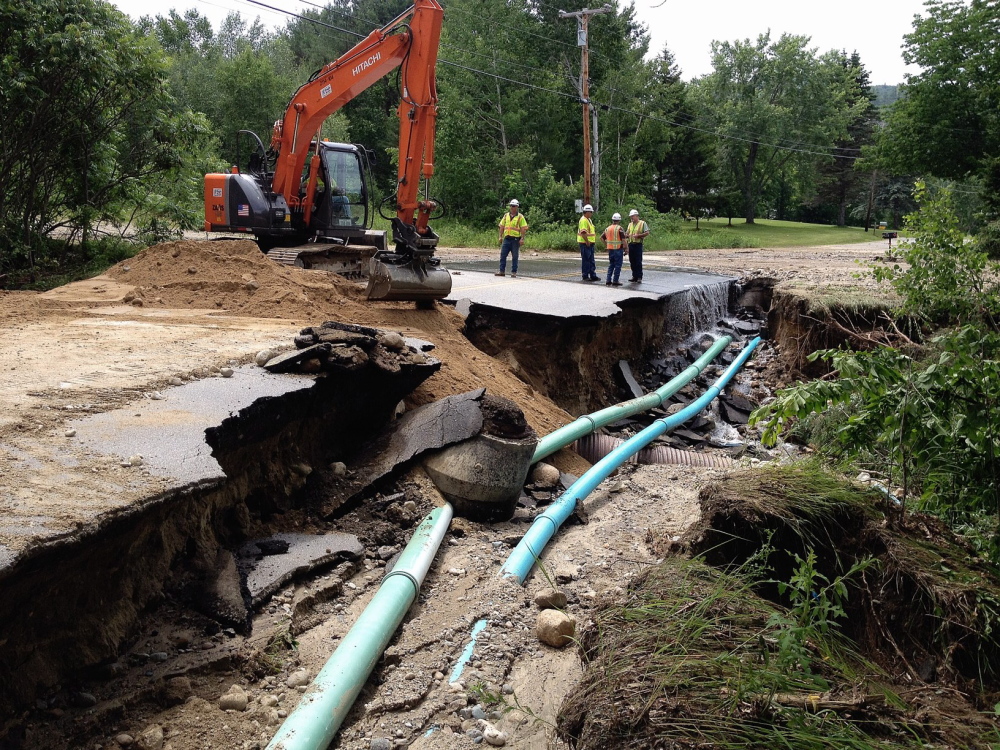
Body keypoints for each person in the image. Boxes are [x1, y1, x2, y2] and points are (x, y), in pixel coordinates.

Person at [496, 199, 528, 277]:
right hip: (506, 238)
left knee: (515, 256)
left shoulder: (520, 217)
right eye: (511, 206)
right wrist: (500, 236)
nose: (511, 207)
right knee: (503, 255)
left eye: (513, 206)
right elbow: (502, 226)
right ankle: (502, 271)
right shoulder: (506, 215)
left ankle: (514, 272)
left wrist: (522, 239)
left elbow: (523, 228)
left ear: (517, 207)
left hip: (515, 239)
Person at [602, 212, 626, 286]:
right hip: (618, 249)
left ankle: (608, 280)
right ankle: (615, 280)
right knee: (618, 265)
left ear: (612, 220)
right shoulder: (619, 228)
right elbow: (624, 240)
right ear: (619, 220)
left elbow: (602, 238)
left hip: (610, 250)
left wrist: (607, 245)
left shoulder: (608, 228)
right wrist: (626, 248)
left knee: (611, 265)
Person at [626, 208, 649, 283]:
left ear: (636, 216)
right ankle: (634, 276)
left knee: (638, 261)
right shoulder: (630, 224)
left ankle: (639, 276)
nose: (631, 218)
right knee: (632, 261)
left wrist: (639, 235)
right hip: (631, 244)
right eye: (631, 216)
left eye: (633, 216)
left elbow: (647, 232)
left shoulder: (642, 223)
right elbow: (627, 233)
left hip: (638, 244)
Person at [577, 204, 599, 281]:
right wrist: (587, 241)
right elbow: (583, 233)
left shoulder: (588, 219)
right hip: (585, 243)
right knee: (586, 260)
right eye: (591, 212)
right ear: (587, 212)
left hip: (589, 243)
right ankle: (585, 275)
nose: (591, 214)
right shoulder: (583, 220)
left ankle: (592, 275)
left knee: (591, 260)